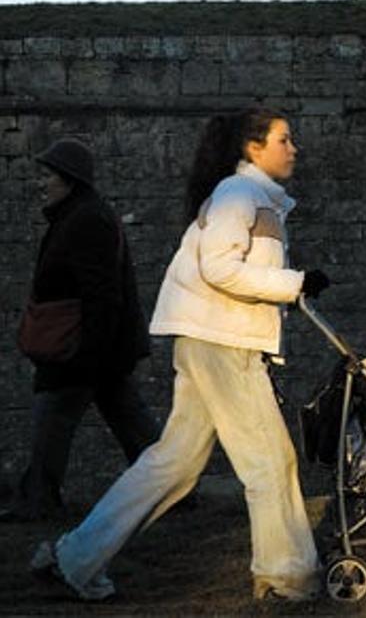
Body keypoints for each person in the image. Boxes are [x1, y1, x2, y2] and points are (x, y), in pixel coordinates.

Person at [30, 110, 331, 602]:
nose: (293, 147)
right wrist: (293, 284)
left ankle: (75, 559)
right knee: (269, 460)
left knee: (174, 463)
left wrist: (288, 291)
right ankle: (287, 576)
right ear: (253, 149)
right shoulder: (241, 195)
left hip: (209, 338)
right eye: (283, 139)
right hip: (222, 342)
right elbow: (218, 268)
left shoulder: (250, 197)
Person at [1, 138, 160, 523]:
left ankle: (38, 498)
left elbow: (102, 293)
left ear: (69, 180)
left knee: (52, 420)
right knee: (130, 422)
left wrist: (86, 354)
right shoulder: (78, 215)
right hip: (96, 350)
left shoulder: (85, 220)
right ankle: (168, 489)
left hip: (81, 349)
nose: (42, 183)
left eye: (49, 176)